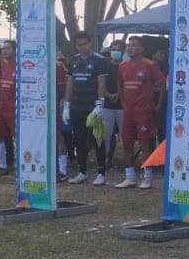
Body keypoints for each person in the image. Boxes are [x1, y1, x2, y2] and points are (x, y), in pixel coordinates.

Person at [115, 36, 164, 188]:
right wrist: (123, 102)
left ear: (142, 48)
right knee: (127, 144)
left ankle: (147, 177)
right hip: (128, 112)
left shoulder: (150, 65)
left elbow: (162, 84)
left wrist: (158, 105)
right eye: (128, 45)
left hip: (144, 112)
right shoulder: (122, 66)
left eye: (134, 45)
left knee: (145, 144)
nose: (130, 48)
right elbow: (120, 85)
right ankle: (130, 177)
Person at [66, 32, 111, 185]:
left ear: (90, 43)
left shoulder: (99, 60)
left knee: (96, 138)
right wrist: (67, 104)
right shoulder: (73, 60)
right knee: (79, 139)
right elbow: (70, 82)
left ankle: (101, 173)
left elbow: (101, 83)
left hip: (92, 106)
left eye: (85, 44)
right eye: (79, 45)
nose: (82, 47)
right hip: (76, 105)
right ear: (75, 45)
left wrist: (100, 104)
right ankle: (82, 171)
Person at [100, 39, 127, 178]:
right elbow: (100, 85)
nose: (115, 52)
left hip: (123, 107)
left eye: (118, 49)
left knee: (125, 136)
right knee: (106, 135)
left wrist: (119, 95)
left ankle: (128, 163)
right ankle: (104, 162)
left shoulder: (126, 66)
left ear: (123, 51)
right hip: (107, 106)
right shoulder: (104, 66)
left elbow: (126, 85)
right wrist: (109, 95)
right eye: (113, 49)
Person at [0, 40, 17, 177]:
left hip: (14, 107)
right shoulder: (4, 65)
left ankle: (19, 163)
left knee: (16, 136)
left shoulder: (21, 66)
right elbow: (3, 83)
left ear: (15, 50)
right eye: (3, 48)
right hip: (2, 105)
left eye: (7, 48)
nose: (4, 51)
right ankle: (2, 166)